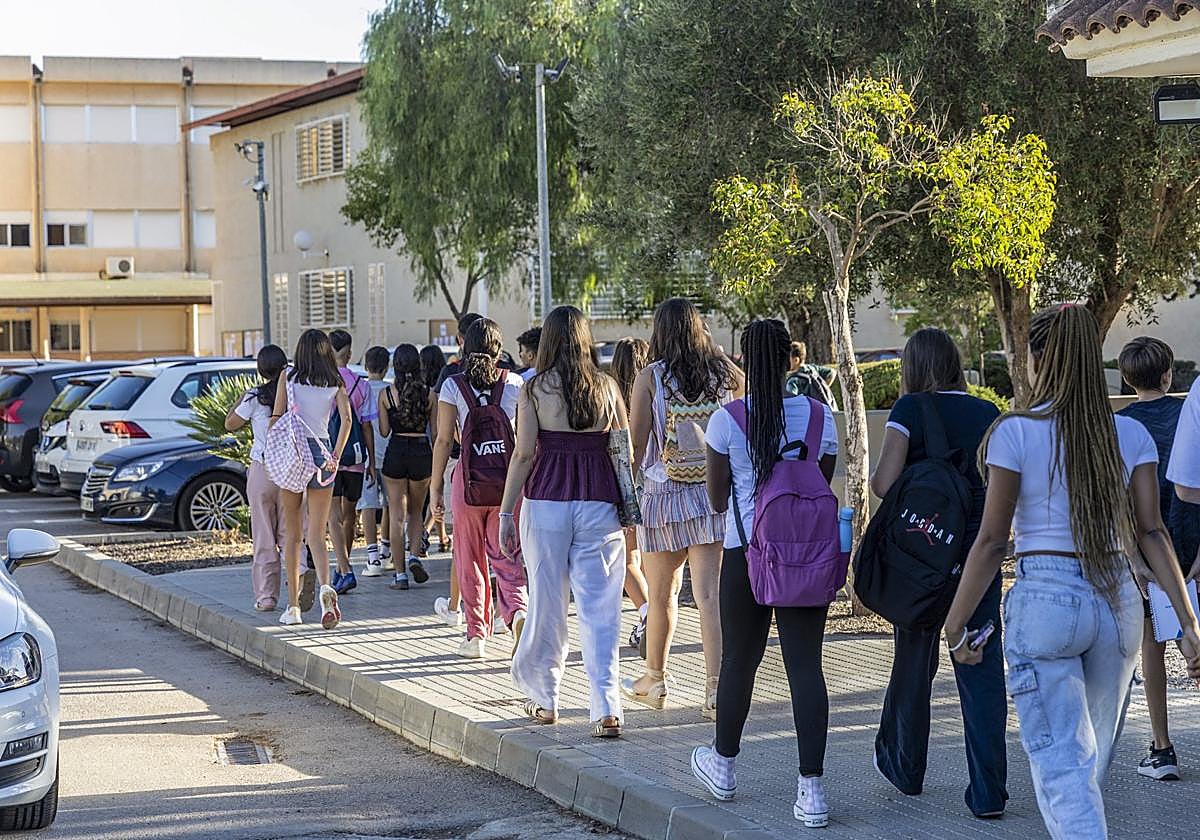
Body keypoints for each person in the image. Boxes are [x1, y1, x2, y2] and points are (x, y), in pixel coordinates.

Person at [944, 305, 1200, 839]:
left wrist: (955, 622)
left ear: (1039, 358)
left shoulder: (1014, 432)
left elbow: (991, 542)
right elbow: (1153, 533)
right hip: (1119, 605)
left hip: (1046, 599)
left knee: (1066, 771)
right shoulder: (1131, 437)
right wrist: (1189, 623)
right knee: (1084, 769)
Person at [691, 318, 839, 827]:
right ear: (790, 360)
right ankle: (812, 791)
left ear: (745, 362)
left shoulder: (726, 420)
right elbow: (817, 485)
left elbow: (715, 498)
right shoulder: (822, 416)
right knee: (805, 668)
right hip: (807, 556)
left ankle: (724, 766)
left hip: (747, 554)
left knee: (739, 663)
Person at [868, 328, 1007, 818]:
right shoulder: (989, 413)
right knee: (982, 666)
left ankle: (907, 770)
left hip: (923, 555)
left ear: (914, 366)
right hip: (976, 554)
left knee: (914, 661)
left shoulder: (909, 410)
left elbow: (884, 482)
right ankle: (989, 793)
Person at [502, 306, 627, 737]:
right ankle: (606, 707)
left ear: (550, 340)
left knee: (547, 603)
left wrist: (504, 512)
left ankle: (545, 698)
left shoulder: (534, 389)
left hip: (546, 502)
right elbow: (622, 451)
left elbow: (523, 454)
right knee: (602, 608)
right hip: (601, 504)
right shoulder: (608, 387)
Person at [624, 298, 743, 718]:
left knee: (661, 595)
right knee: (709, 597)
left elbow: (638, 445)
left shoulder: (650, 377)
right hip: (713, 494)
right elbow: (743, 406)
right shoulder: (724, 375)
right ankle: (715, 689)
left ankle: (655, 679)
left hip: (663, 493)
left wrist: (626, 495)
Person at [1116, 337, 1200, 779]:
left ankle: (1162, 748)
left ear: (1127, 380)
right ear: (1169, 375)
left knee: (1152, 644)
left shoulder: (1120, 426)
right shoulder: (1190, 412)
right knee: (1196, 633)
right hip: (1191, 538)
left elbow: (1118, 501)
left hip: (1147, 549)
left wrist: (1133, 557)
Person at [430, 318, 528, 658]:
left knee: (469, 557)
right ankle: (516, 613)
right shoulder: (515, 383)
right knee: (507, 553)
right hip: (508, 484)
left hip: (468, 483)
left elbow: (444, 440)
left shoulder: (452, 386)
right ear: (499, 350)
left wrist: (435, 489)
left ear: (463, 347)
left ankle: (476, 636)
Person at [271, 328, 353, 629]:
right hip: (322, 457)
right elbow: (346, 421)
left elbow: (277, 416)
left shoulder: (288, 378)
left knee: (293, 536)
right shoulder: (335, 382)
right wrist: (335, 456)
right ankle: (326, 589)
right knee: (318, 535)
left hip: (294, 455)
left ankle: (292, 607)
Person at [225, 343, 289, 612]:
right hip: (290, 471)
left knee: (263, 534)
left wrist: (241, 398)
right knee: (292, 532)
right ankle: (300, 578)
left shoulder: (255, 397)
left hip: (262, 469)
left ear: (261, 370)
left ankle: (266, 597)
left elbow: (229, 423)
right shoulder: (295, 393)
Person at [379, 344, 438, 590]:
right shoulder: (430, 394)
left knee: (396, 515)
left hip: (395, 452)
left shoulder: (386, 394)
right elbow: (435, 433)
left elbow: (384, 431)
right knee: (416, 511)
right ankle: (414, 555)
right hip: (421, 453)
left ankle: (400, 575)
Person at [326, 329, 377, 596]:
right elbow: (366, 425)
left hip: (331, 457)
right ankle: (342, 568)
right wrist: (369, 460)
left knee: (332, 515)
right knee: (350, 516)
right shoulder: (361, 384)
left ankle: (343, 568)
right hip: (356, 458)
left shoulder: (323, 383)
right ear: (349, 353)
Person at [609, 337, 651, 653]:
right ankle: (652, 616)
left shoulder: (612, 398)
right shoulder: (654, 390)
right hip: (660, 484)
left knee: (626, 561)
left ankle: (648, 614)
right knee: (652, 561)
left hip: (626, 484)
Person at [359, 346, 392, 578]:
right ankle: (387, 549)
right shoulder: (391, 390)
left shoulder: (360, 389)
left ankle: (372, 557)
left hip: (366, 457)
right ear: (387, 366)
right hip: (390, 454)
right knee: (391, 503)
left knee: (368, 505)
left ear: (365, 366)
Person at [785, 341, 837, 408]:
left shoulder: (793, 381)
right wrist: (822, 389)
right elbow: (832, 372)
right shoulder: (813, 369)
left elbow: (791, 403)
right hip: (824, 410)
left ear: (796, 360)